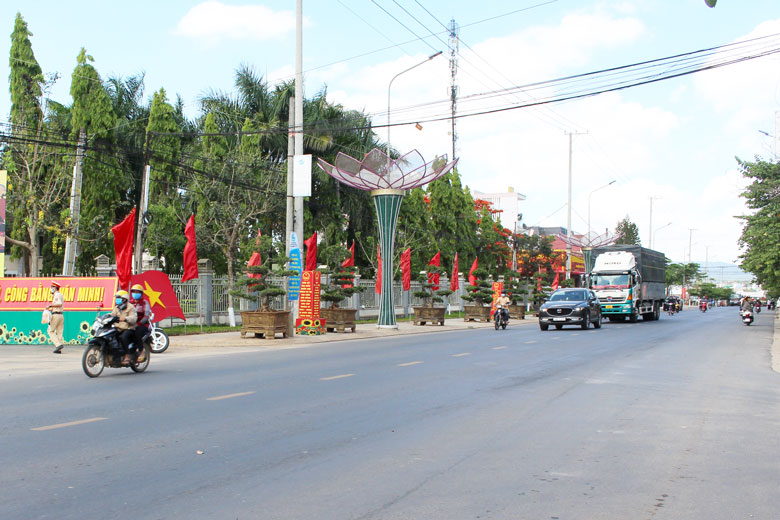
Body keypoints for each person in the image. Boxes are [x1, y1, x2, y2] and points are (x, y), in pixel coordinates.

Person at [111, 290, 137, 365]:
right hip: (118, 328)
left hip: (129, 328)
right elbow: (112, 315)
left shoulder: (130, 307)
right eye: (116, 298)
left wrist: (126, 319)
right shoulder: (116, 307)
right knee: (110, 337)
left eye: (118, 298)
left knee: (123, 337)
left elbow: (133, 318)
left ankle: (127, 355)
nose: (117, 299)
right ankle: (116, 357)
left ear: (124, 299)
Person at [129, 284, 151, 363]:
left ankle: (141, 351)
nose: (135, 293)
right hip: (129, 324)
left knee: (137, 333)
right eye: (133, 292)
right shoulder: (130, 303)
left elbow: (146, 316)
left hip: (142, 325)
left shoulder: (144, 303)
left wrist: (138, 324)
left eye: (137, 292)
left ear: (141, 293)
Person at [46, 281, 65, 354]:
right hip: (61, 315)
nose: (51, 289)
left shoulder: (56, 295)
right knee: (59, 332)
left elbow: (59, 304)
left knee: (50, 330)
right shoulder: (61, 295)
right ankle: (59, 349)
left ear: (55, 288)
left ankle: (58, 345)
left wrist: (50, 306)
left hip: (56, 315)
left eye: (52, 288)